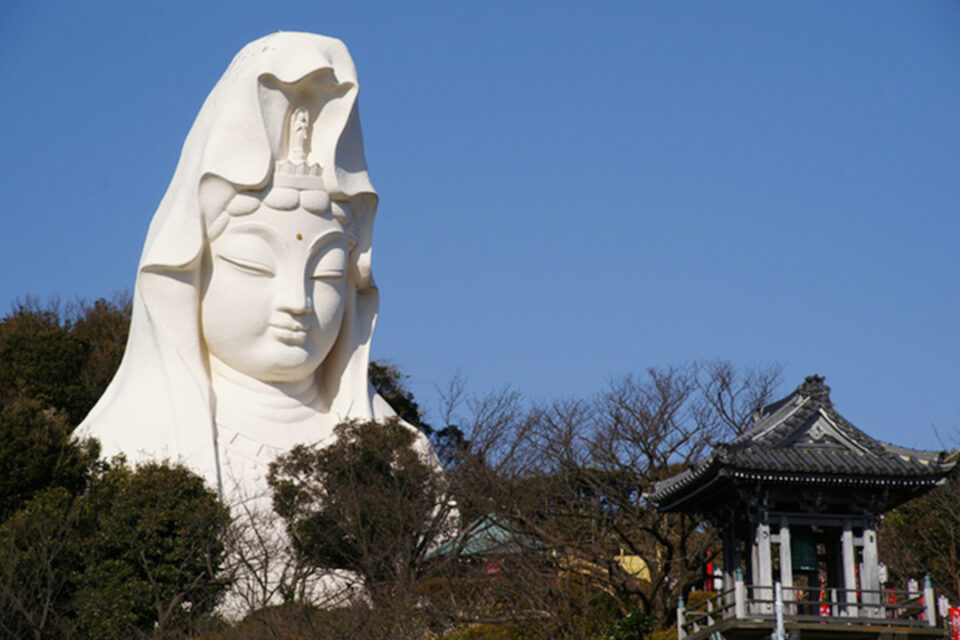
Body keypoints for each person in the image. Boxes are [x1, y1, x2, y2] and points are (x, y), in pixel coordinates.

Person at [77, 32, 411, 503]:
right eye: (255, 266)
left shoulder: (403, 462)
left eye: (326, 275)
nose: (296, 303)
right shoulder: (127, 450)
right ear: (193, 270)